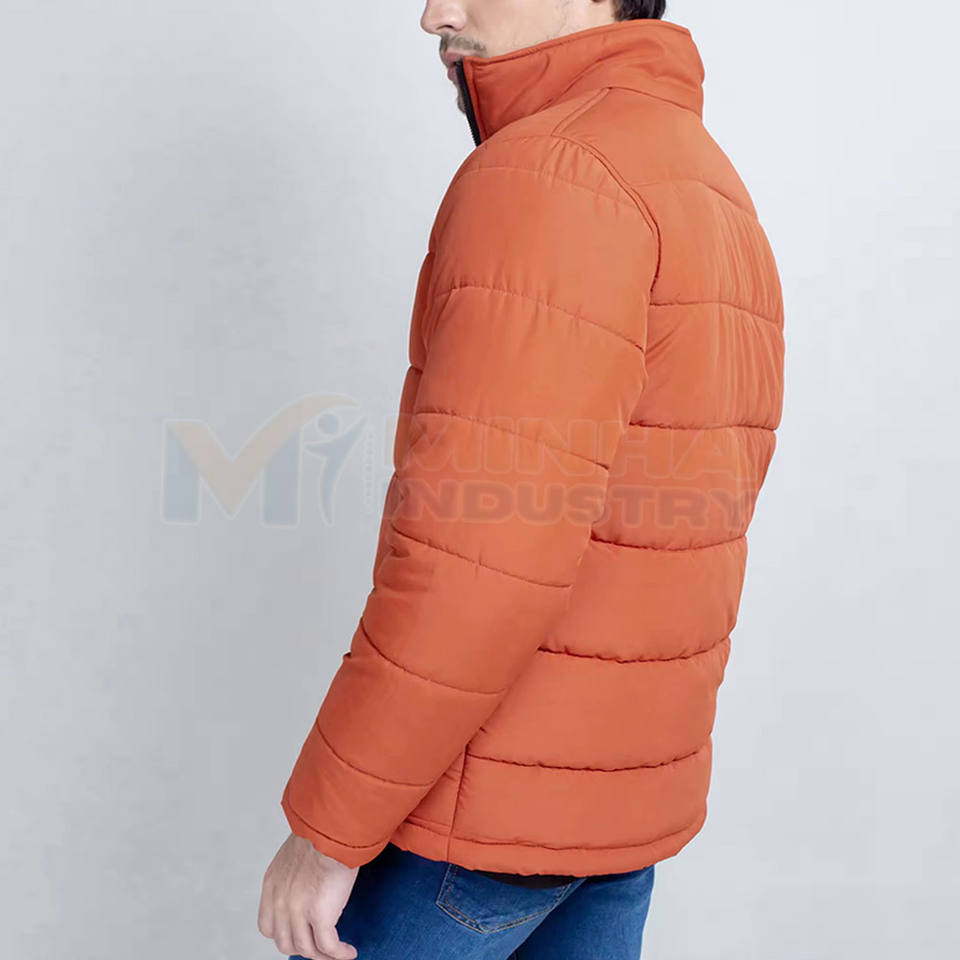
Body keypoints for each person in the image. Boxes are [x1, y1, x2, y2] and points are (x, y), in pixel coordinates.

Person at [258, 1, 785, 957]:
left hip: (474, 825)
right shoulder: (701, 178)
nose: (435, 15)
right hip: (614, 818)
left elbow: (479, 560)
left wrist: (328, 830)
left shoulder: (553, 173)